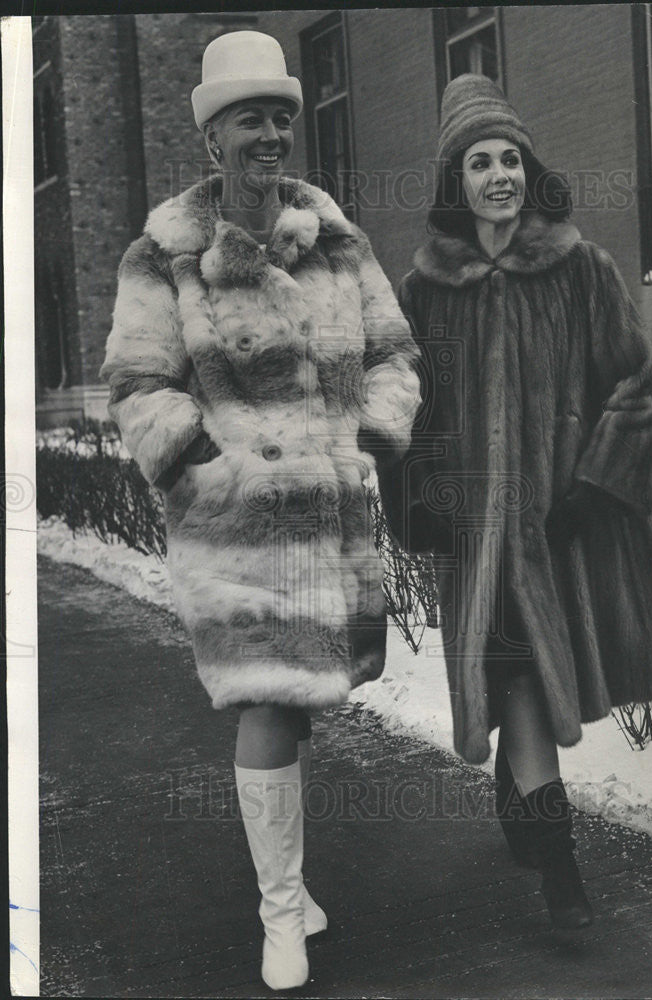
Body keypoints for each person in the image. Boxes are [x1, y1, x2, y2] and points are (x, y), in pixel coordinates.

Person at [100, 31, 420, 991]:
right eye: (251, 119)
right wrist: (205, 460)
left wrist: (368, 440)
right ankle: (280, 911)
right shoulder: (166, 257)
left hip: (333, 514)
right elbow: (137, 382)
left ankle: (296, 892)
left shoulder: (338, 241)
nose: (272, 134)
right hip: (237, 524)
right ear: (213, 140)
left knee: (306, 700)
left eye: (282, 115)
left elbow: (392, 356)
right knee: (268, 699)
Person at [376, 74, 652, 930]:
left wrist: (595, 486)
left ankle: (521, 804)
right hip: (479, 537)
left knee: (528, 680)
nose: (498, 175)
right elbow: (403, 406)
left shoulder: (580, 269)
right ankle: (562, 874)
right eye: (479, 161)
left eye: (510, 159)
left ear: (529, 170)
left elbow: (640, 381)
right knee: (517, 678)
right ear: (456, 182)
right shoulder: (422, 293)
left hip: (560, 525)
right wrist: (416, 495)